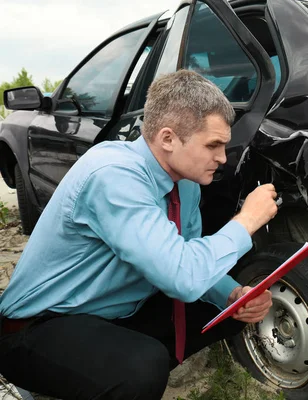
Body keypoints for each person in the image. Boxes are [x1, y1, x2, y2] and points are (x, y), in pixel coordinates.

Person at [0, 70, 278, 399]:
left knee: (226, 313)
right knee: (141, 367)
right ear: (168, 138)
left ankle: (97, 378)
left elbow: (189, 253)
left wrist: (235, 296)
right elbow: (183, 276)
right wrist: (246, 220)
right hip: (42, 324)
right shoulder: (114, 176)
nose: (221, 157)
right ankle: (54, 381)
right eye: (213, 145)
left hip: (114, 311)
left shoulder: (185, 182)